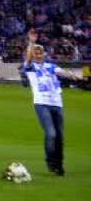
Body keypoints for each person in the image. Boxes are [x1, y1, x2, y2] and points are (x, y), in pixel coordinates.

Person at [22, 30, 81, 176]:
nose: (38, 55)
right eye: (36, 54)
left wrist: (73, 76)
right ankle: (50, 162)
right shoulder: (31, 68)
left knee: (60, 136)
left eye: (40, 53)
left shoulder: (51, 66)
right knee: (51, 133)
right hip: (42, 103)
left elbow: (62, 72)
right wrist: (31, 42)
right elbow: (28, 59)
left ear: (44, 54)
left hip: (57, 103)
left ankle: (59, 165)